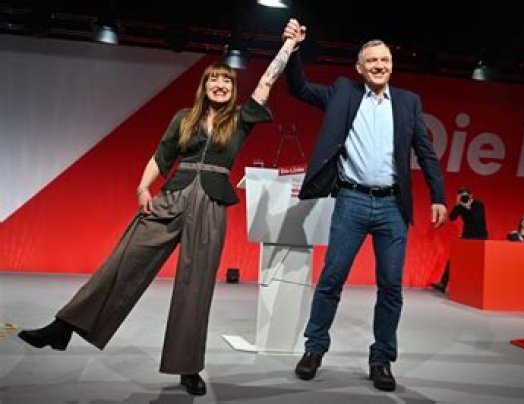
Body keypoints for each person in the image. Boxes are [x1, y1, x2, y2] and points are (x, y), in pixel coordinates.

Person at [16, 31, 300, 396]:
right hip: (173, 195)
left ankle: (187, 368)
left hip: (211, 202)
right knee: (125, 258)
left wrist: (288, 45)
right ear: (204, 86)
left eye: (226, 81)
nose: (220, 85)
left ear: (232, 89)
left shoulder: (241, 118)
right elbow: (160, 157)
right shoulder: (184, 118)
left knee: (195, 287)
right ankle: (64, 326)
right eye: (214, 79)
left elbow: (266, 81)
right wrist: (142, 188)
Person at [282, 19, 447, 392]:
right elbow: (299, 87)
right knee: (331, 279)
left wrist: (438, 195)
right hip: (351, 201)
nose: (379, 65)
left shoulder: (408, 102)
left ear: (392, 65)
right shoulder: (343, 92)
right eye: (372, 60)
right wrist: (293, 49)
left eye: (384, 60)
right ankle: (314, 348)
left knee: (390, 288)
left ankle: (381, 360)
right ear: (359, 67)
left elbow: (426, 152)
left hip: (392, 207)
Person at [431, 187, 487, 293]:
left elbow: (478, 219)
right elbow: (452, 217)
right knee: (453, 259)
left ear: (471, 196)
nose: (464, 198)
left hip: (480, 237)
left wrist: (468, 207)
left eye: (466, 196)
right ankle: (443, 283)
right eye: (462, 196)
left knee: (477, 263)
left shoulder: (478, 204)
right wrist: (457, 205)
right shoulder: (461, 205)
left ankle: (478, 287)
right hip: (467, 236)